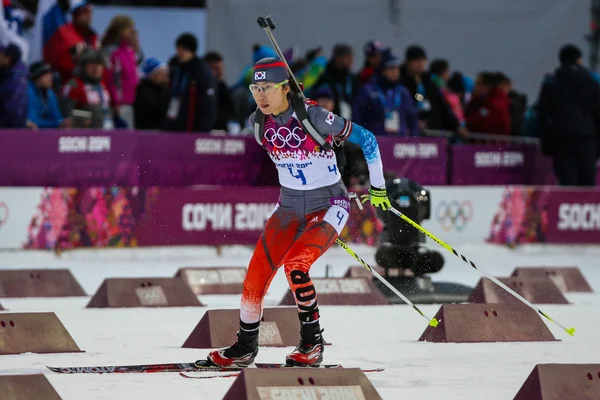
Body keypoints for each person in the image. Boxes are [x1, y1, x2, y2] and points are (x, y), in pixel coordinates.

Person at [205, 57, 391, 368]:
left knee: (296, 265)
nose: (261, 95)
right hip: (289, 206)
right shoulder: (257, 123)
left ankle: (312, 342)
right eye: (255, 88)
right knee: (255, 275)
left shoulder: (315, 115)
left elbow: (368, 141)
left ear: (286, 87)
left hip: (329, 205)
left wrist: (378, 188)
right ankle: (245, 346)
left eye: (267, 88)